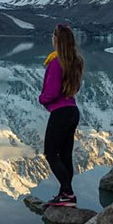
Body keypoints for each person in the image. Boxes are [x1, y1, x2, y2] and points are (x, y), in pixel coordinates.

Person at [39, 23, 84, 207]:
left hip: (60, 113)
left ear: (57, 40)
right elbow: (76, 87)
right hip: (72, 111)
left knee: (50, 152)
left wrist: (42, 99)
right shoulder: (75, 61)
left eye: (53, 37)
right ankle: (64, 195)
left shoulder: (56, 63)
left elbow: (51, 91)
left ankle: (67, 192)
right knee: (65, 155)